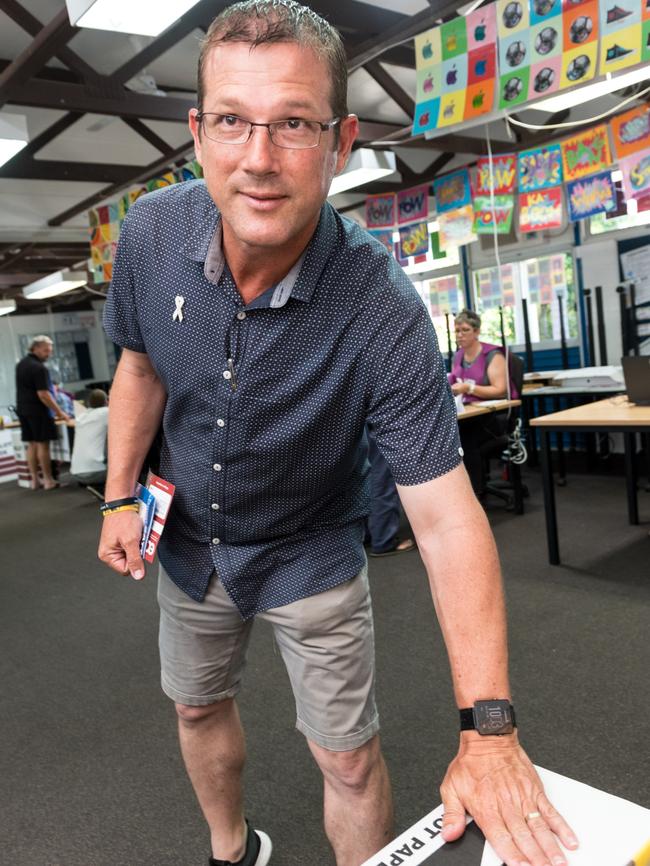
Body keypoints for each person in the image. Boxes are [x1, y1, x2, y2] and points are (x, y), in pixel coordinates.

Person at [99, 4, 577, 866]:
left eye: (293, 124)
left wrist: (491, 731)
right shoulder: (149, 236)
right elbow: (139, 368)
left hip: (310, 549)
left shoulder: (382, 306)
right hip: (189, 542)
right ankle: (232, 850)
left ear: (341, 139)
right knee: (197, 706)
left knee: (349, 758)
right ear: (197, 131)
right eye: (233, 122)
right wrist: (115, 498)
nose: (259, 158)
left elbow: (444, 517)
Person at [448, 309, 517, 496]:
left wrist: (469, 389)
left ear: (477, 331)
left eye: (465, 330)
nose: (460, 335)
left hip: (495, 416)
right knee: (453, 434)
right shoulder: (458, 356)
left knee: (466, 439)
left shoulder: (492, 356)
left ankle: (475, 493)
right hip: (469, 414)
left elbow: (500, 389)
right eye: (457, 331)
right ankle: (461, 491)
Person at [15, 335, 71, 490]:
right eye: (46, 350)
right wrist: (60, 412)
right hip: (38, 411)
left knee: (31, 445)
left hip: (23, 409)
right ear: (36, 348)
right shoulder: (39, 368)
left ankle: (34, 480)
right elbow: (44, 394)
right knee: (42, 445)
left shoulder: (21, 364)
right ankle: (48, 480)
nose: (49, 354)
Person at [365, 426, 415, 557]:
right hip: (375, 421)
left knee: (365, 474)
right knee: (382, 478)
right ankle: (384, 540)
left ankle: (368, 533)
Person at [70, 389, 109, 492]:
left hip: (76, 472)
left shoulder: (81, 417)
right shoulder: (106, 412)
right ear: (106, 401)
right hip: (97, 472)